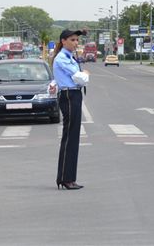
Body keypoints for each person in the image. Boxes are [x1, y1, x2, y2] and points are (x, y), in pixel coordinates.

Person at [52, 29, 89, 190]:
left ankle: (68, 178)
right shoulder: (62, 58)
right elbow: (80, 77)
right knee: (70, 138)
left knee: (73, 137)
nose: (76, 43)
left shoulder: (69, 57)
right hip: (69, 96)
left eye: (77, 40)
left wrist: (82, 75)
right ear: (63, 41)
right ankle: (66, 178)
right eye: (72, 40)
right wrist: (85, 73)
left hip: (73, 95)